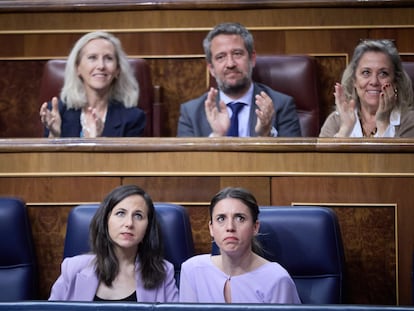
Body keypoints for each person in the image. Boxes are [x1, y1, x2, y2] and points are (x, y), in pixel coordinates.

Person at [49, 184, 178, 302]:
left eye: (138, 216)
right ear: (106, 222)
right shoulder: (72, 269)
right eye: (120, 213)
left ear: (148, 228)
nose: (129, 223)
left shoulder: (164, 272)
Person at [176, 22, 302, 137]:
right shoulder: (191, 113)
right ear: (211, 68)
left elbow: (295, 160)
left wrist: (265, 134)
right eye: (221, 57)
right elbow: (185, 162)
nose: (230, 64)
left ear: (252, 59)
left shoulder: (281, 105)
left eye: (237, 54)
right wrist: (217, 137)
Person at [179, 187, 301, 304]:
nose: (230, 227)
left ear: (255, 227)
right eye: (221, 219)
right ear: (211, 228)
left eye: (240, 218)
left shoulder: (277, 279)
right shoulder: (192, 270)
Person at [39, 31, 146, 138]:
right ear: (77, 68)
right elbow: (47, 155)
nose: (101, 66)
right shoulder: (58, 113)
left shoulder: (133, 118)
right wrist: (54, 135)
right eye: (92, 57)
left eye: (108, 58)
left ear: (117, 70)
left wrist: (97, 140)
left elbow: (127, 156)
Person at [319, 39, 414, 137]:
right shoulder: (336, 120)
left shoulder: (409, 122)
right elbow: (322, 153)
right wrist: (345, 128)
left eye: (383, 73)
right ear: (354, 80)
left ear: (395, 82)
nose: (374, 82)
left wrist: (383, 123)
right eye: (366, 73)